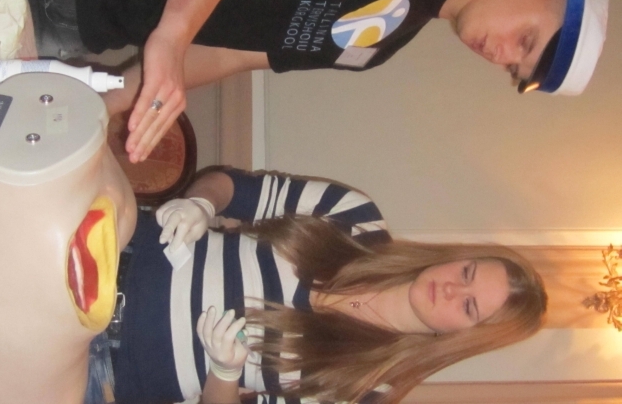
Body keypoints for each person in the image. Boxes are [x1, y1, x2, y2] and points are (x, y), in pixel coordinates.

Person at [15, 0, 608, 163]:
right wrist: (173, 31)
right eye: (526, 40)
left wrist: (118, 96)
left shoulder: (382, 46)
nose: (502, 55)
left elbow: (235, 53)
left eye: (514, 68)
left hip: (93, 22)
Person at [86, 166, 547, 403]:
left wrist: (224, 372)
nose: (450, 289)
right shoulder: (354, 217)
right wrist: (203, 204)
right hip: (112, 249)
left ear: (462, 339)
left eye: (469, 307)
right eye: (466, 274)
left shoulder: (362, 388)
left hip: (106, 371)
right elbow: (233, 186)